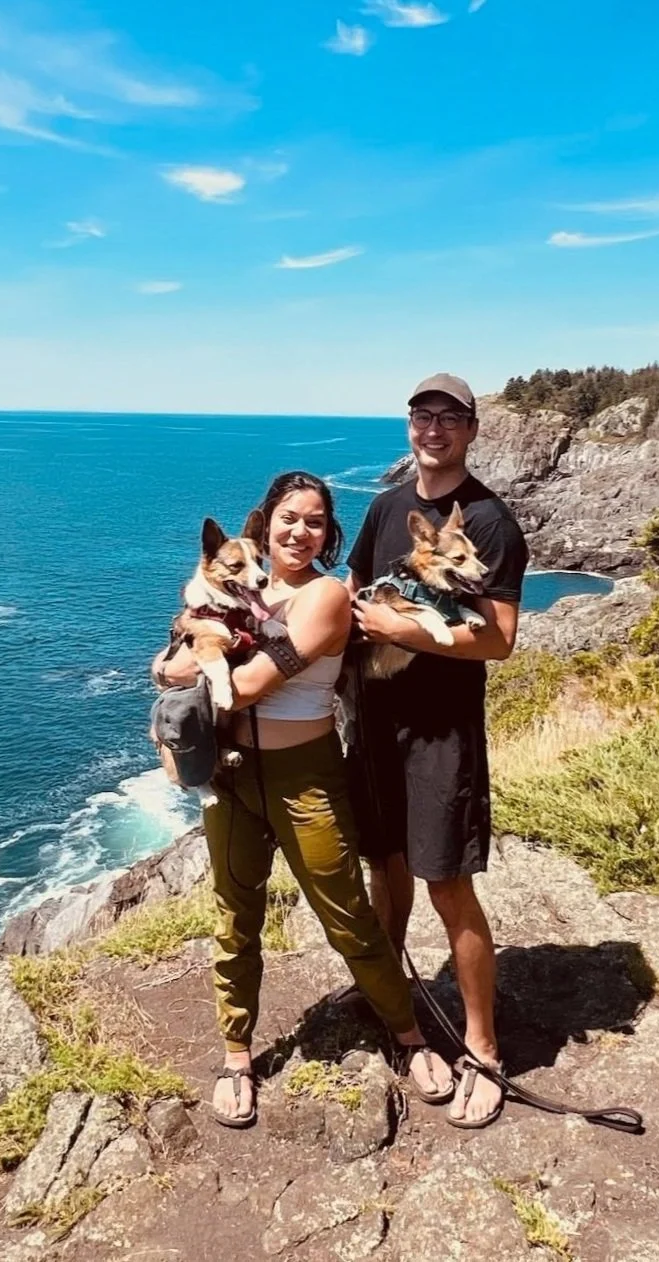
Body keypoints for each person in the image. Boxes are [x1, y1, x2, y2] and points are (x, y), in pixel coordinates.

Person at [153, 470, 454, 1128]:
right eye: (289, 518)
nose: (300, 532)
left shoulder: (325, 597)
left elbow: (246, 683)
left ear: (328, 532)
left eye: (315, 522)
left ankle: (410, 1036)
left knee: (346, 914)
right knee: (235, 916)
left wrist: (189, 654)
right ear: (266, 522)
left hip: (305, 775)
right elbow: (166, 664)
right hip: (233, 774)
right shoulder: (240, 592)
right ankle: (237, 1055)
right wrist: (175, 658)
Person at [348, 373, 528, 1130]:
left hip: (442, 733)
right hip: (373, 720)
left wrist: (406, 632)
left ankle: (483, 1050)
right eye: (423, 416)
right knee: (384, 866)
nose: (433, 429)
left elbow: (500, 639)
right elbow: (356, 588)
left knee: (446, 882)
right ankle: (392, 1004)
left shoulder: (490, 521)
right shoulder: (387, 506)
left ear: (471, 430)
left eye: (450, 418)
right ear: (409, 425)